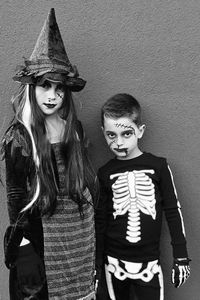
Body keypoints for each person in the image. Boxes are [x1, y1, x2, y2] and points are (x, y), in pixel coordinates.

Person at [1, 8, 97, 300]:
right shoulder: (20, 136)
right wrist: (24, 246)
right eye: (45, 86)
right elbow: (17, 198)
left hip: (79, 239)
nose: (52, 95)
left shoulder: (73, 129)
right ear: (32, 87)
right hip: (42, 243)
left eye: (59, 88)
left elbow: (80, 183)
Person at [95, 93, 191, 300]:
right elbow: (100, 221)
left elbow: (173, 211)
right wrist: (95, 264)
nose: (118, 142)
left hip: (149, 263)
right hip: (113, 262)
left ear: (140, 131)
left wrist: (181, 257)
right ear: (103, 132)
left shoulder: (158, 166)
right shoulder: (104, 173)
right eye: (111, 135)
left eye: (126, 134)